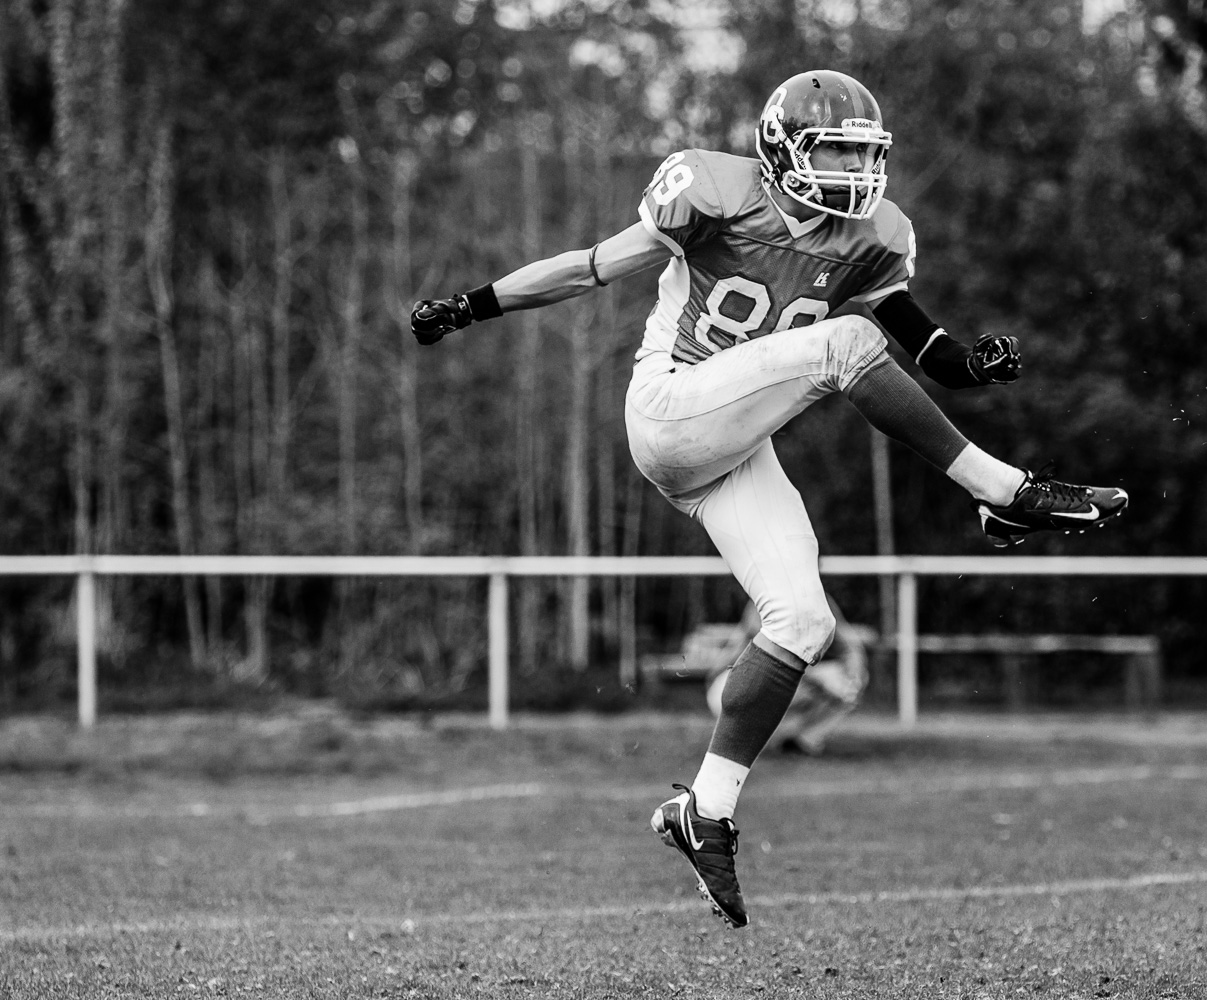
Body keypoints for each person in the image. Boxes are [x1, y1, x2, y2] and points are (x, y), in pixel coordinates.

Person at [409, 69, 1128, 929]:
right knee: (845, 340)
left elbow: (921, 346)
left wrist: (973, 364)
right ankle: (1005, 495)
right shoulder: (713, 189)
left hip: (734, 446)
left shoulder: (874, 235)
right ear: (784, 146)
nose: (854, 169)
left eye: (866, 153)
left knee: (802, 622)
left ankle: (703, 812)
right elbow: (593, 268)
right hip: (671, 412)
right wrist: (470, 306)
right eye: (837, 150)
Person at [704, 595, 868, 757]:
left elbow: (850, 647)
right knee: (825, 679)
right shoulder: (765, 594)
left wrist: (854, 676)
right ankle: (738, 741)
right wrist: (819, 678)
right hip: (732, 682)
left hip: (784, 679)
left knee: (846, 683)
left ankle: (803, 742)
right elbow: (771, 656)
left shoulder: (818, 598)